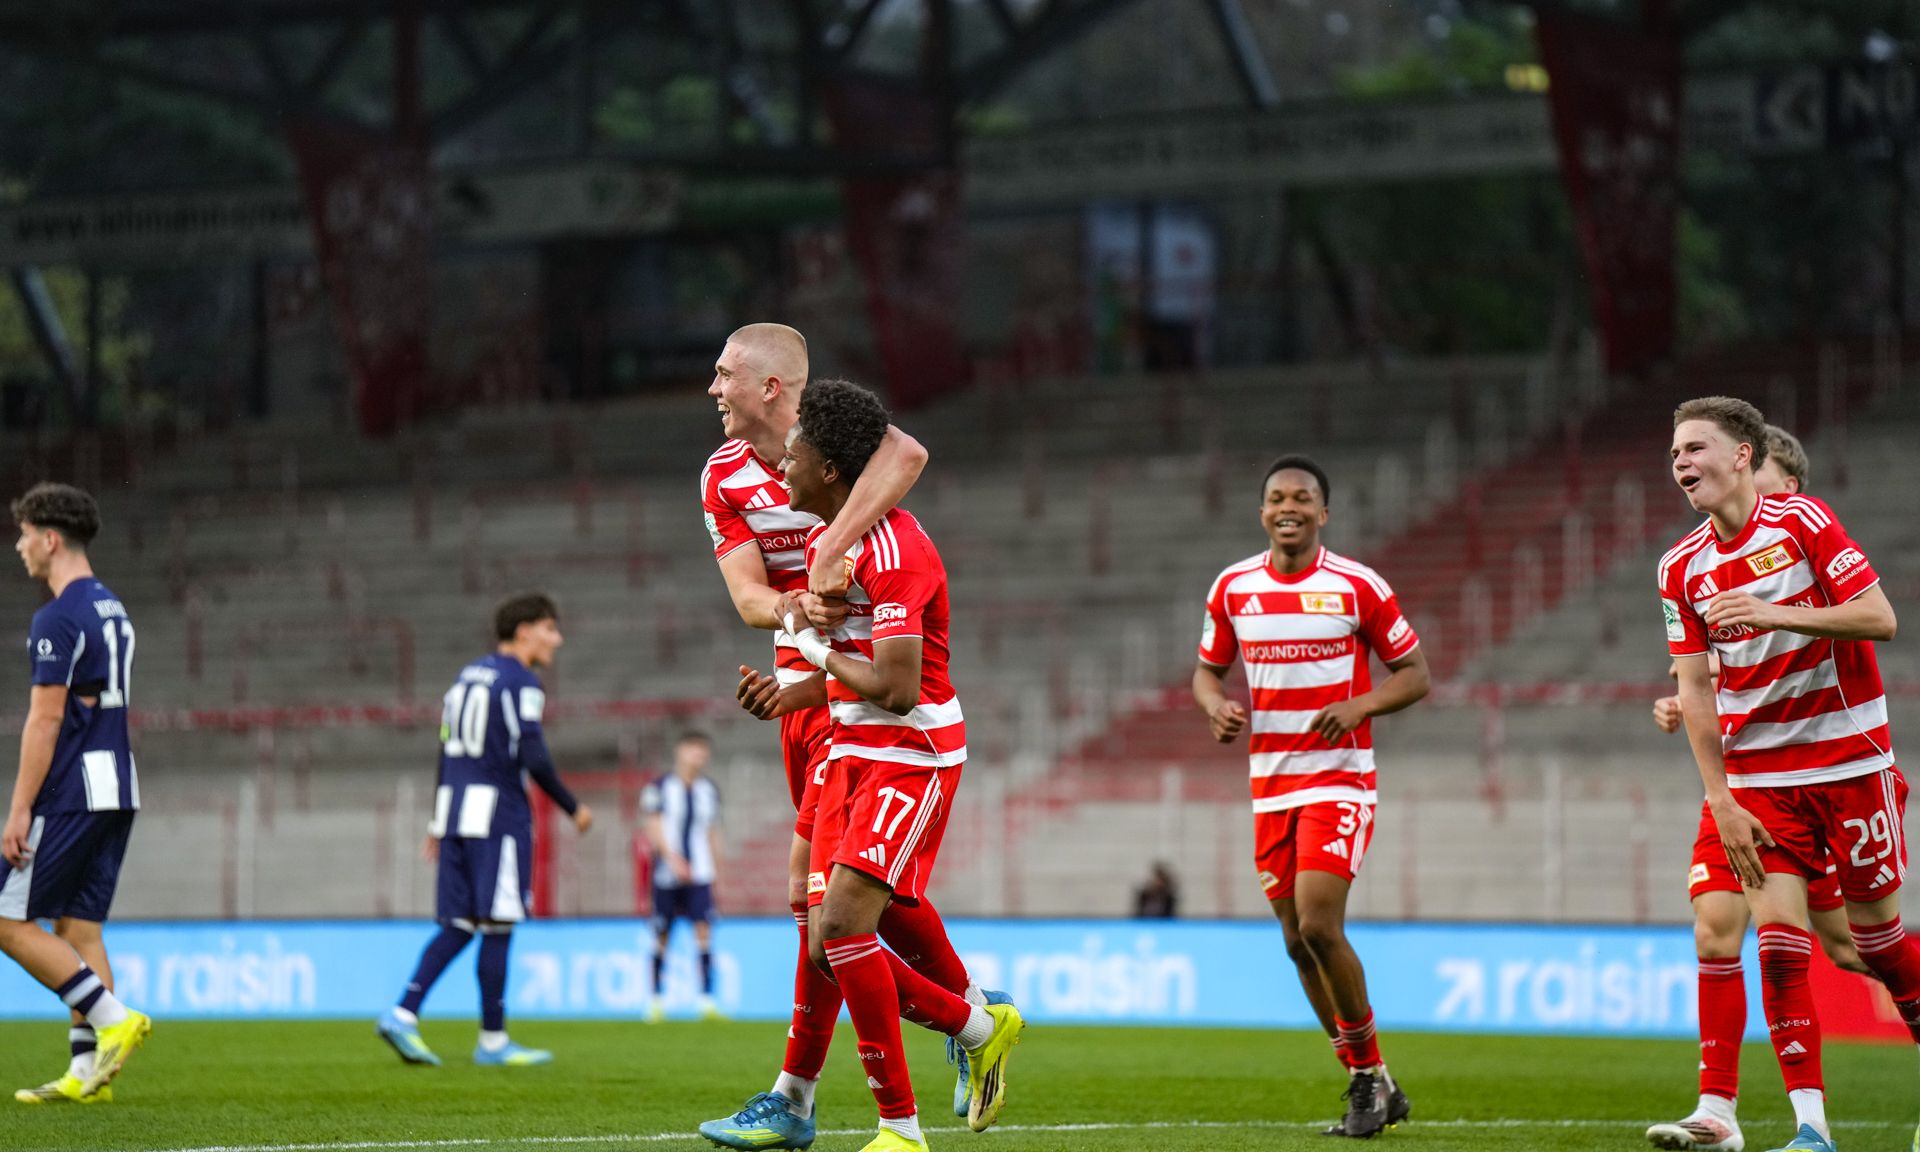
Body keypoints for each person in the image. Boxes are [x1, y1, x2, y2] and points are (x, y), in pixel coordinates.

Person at [696, 325, 1000, 1151]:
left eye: (725, 375)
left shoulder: (844, 441)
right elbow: (748, 594)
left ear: (771, 387)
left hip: (871, 701)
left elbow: (908, 453)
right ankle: (971, 1017)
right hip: (817, 685)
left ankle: (818, 1097)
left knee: (831, 911)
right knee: (841, 912)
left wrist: (830, 552)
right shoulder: (723, 475)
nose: (712, 389)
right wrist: (802, 610)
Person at [1660, 396, 1920, 1152]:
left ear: (1742, 456)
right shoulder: (1680, 567)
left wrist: (1780, 617)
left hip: (1850, 761)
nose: (1681, 463)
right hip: (1760, 778)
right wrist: (1722, 797)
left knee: (1877, 946)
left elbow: (1879, 617)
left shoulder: (1804, 523)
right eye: (1674, 452)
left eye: (1695, 448)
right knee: (1776, 939)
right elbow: (1697, 684)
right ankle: (1810, 1131)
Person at [1190, 455, 1430, 1138]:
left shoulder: (1357, 586)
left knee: (1321, 924)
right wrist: (1217, 708)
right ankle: (1379, 1080)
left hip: (1339, 778)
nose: (1287, 507)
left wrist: (1362, 706)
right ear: (1262, 511)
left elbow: (1415, 673)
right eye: (1275, 498)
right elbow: (1207, 675)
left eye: (1301, 497)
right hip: (1270, 786)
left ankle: (1362, 1082)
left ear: (1323, 513)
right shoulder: (1234, 586)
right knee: (1297, 942)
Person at [376, 592, 594, 1068]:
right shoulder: (522, 682)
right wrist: (571, 806)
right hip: (497, 817)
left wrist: (437, 819)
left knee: (457, 924)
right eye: (550, 629)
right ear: (525, 631)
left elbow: (446, 751)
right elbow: (532, 754)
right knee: (497, 923)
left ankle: (403, 1013)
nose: (557, 639)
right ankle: (492, 1040)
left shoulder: (464, 678)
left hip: (455, 812)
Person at [4, 482, 151, 1104]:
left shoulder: (57, 617)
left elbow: (46, 719)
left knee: (6, 921)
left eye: (23, 534)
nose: (18, 547)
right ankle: (89, 1073)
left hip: (73, 790)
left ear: (50, 538)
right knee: (80, 927)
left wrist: (18, 807)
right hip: (120, 783)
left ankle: (114, 1018)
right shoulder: (114, 608)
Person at [642, 731, 723, 1020]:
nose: (698, 756)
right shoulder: (660, 787)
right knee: (662, 932)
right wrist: (673, 859)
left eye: (703, 751)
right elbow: (653, 826)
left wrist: (716, 870)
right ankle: (656, 1001)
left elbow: (712, 832)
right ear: (680, 751)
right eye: (693, 750)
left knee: (704, 930)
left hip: (700, 873)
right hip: (667, 873)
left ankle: (706, 1000)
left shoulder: (709, 790)